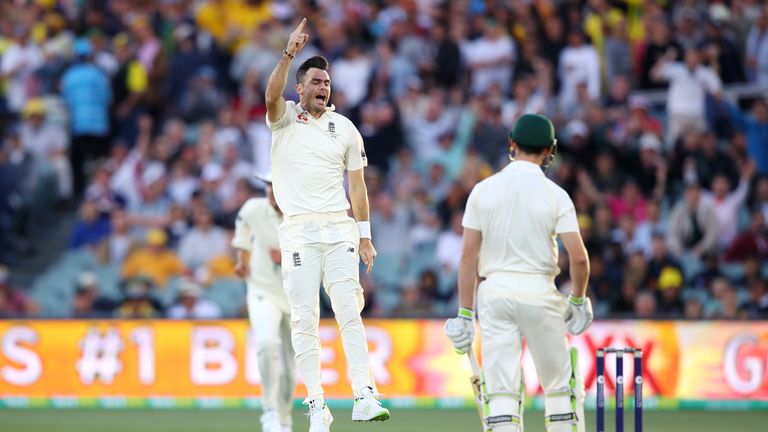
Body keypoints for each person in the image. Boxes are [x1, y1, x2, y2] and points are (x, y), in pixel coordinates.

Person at [264, 18, 389, 432]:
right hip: (299, 231)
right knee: (305, 320)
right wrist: (288, 54)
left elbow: (358, 187)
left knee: (349, 311)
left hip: (339, 231)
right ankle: (317, 404)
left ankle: (364, 395)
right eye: (316, 81)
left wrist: (365, 236)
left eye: (327, 83)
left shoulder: (346, 129)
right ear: (299, 88)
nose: (323, 88)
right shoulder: (284, 120)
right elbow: (269, 97)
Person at [444, 114, 592, 432]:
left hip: (494, 294)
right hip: (540, 293)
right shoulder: (556, 195)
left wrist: (465, 314)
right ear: (550, 150)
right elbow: (579, 260)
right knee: (559, 391)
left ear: (512, 143)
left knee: (501, 394)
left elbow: (468, 257)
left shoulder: (483, 191)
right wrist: (578, 301)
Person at [232, 172, 295, 432]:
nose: (271, 191)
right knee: (267, 344)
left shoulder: (306, 214)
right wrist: (242, 257)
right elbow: (242, 227)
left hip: (296, 294)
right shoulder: (254, 208)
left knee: (290, 369)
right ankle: (269, 411)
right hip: (261, 288)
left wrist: (288, 256)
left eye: (276, 185)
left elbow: (320, 255)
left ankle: (284, 418)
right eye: (268, 185)